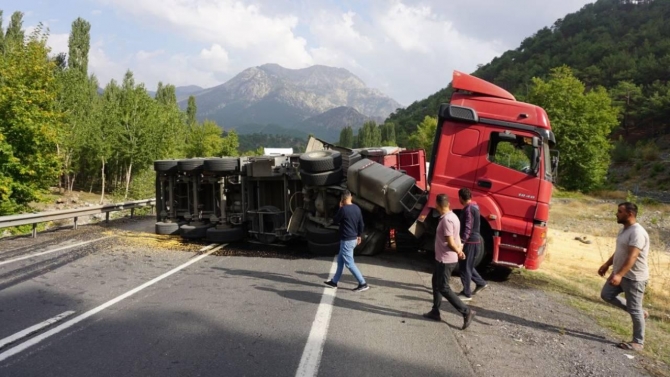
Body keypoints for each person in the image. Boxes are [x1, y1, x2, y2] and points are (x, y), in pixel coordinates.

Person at [599, 202, 650, 352]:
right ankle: (641, 312)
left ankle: (638, 342)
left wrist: (619, 274)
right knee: (606, 295)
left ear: (630, 214)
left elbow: (633, 256)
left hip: (634, 278)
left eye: (620, 211)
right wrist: (607, 264)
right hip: (620, 274)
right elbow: (619, 251)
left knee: (634, 310)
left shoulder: (637, 232)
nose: (617, 213)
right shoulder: (625, 230)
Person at [423, 193, 476, 330]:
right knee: (436, 282)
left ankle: (466, 311)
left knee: (443, 287)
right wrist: (460, 249)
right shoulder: (453, 217)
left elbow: (450, 241)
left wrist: (458, 251)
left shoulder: (447, 220)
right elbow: (457, 237)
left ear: (437, 205)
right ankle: (435, 311)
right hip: (442, 258)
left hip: (445, 260)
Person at [324, 190, 369, 292]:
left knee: (349, 263)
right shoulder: (357, 208)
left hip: (346, 240)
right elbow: (361, 224)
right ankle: (334, 282)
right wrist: (359, 235)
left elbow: (335, 220)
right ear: (351, 198)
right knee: (340, 261)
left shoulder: (343, 210)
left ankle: (363, 283)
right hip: (353, 239)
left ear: (343, 199)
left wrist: (340, 208)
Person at [457, 188, 488, 301]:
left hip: (470, 242)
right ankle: (481, 283)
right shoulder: (475, 206)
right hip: (475, 241)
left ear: (460, 197)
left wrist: (462, 241)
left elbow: (468, 226)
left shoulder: (468, 209)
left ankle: (466, 293)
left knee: (465, 267)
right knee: (467, 265)